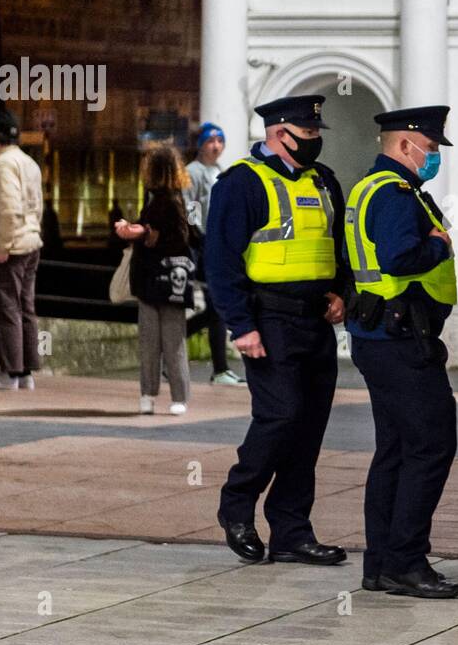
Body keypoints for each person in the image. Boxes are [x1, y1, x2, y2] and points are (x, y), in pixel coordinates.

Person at [208, 95, 352, 569]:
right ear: (278, 134)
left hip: (315, 320)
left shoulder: (325, 180)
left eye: (317, 135)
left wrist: (341, 293)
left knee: (309, 427)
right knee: (281, 415)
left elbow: (340, 246)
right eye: (307, 135)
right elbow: (221, 262)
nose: (315, 142)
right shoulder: (242, 184)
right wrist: (241, 326)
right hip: (269, 319)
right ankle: (236, 503)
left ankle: (292, 531)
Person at [344, 106, 458, 599]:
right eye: (430, 149)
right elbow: (399, 255)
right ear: (404, 145)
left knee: (394, 451)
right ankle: (407, 562)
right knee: (431, 445)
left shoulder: (368, 188)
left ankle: (382, 564)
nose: (433, 157)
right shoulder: (393, 194)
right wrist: (438, 245)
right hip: (400, 340)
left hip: (379, 338)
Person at [114, 143, 195, 415]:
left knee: (151, 342)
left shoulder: (162, 200)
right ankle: (178, 397)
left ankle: (149, 395)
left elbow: (174, 236)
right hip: (172, 280)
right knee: (174, 342)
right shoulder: (175, 198)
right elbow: (185, 238)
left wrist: (141, 232)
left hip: (153, 278)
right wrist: (142, 230)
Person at [0, 111, 44, 391]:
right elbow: (35, 206)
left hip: (10, 246)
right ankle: (26, 370)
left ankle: (9, 371)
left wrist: (2, 246)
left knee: (4, 308)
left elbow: (9, 208)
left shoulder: (3, 165)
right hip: (30, 242)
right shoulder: (29, 162)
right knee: (25, 307)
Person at [185, 122, 242, 386]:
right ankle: (219, 368)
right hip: (204, 247)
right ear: (200, 145)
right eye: (211, 141)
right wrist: (201, 236)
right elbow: (190, 209)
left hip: (217, 245)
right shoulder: (193, 172)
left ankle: (174, 344)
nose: (216, 146)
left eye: (220, 141)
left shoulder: (218, 170)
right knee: (216, 307)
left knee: (215, 308)